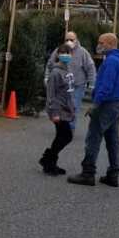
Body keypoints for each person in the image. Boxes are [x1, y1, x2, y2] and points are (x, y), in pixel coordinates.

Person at [68, 33, 119, 187]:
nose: (99, 45)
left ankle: (88, 173)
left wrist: (95, 104)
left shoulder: (111, 61)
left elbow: (106, 86)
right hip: (118, 104)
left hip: (106, 104)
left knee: (93, 138)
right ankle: (113, 174)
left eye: (101, 43)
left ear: (110, 44)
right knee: (112, 140)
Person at [39, 43, 75, 175]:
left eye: (68, 53)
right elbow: (51, 94)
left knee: (61, 136)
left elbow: (69, 91)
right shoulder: (55, 72)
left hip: (66, 108)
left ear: (72, 55)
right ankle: (48, 160)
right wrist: (54, 112)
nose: (65, 55)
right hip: (58, 110)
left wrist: (72, 107)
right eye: (62, 53)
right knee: (66, 136)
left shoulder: (68, 70)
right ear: (58, 55)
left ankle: (49, 161)